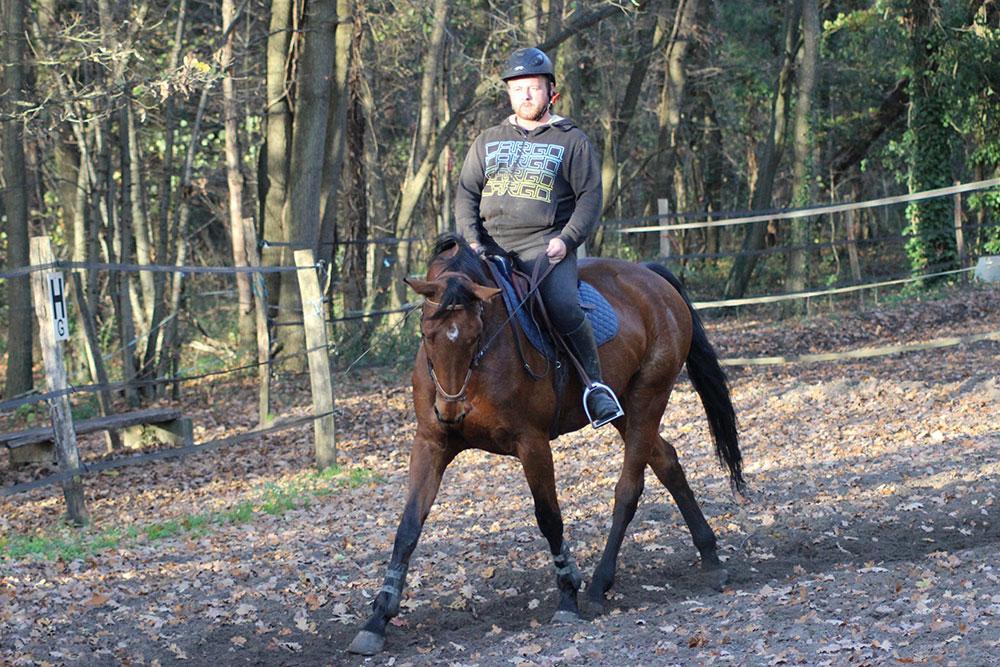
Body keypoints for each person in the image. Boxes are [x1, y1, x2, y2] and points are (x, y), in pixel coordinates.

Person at [454, 46, 624, 428]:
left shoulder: (571, 140)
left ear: (552, 92)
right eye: (517, 89)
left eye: (533, 88)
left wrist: (567, 239)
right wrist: (474, 241)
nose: (525, 96)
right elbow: (466, 193)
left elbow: (589, 198)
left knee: (563, 306)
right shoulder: (488, 140)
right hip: (488, 248)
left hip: (545, 249)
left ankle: (595, 389)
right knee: (448, 306)